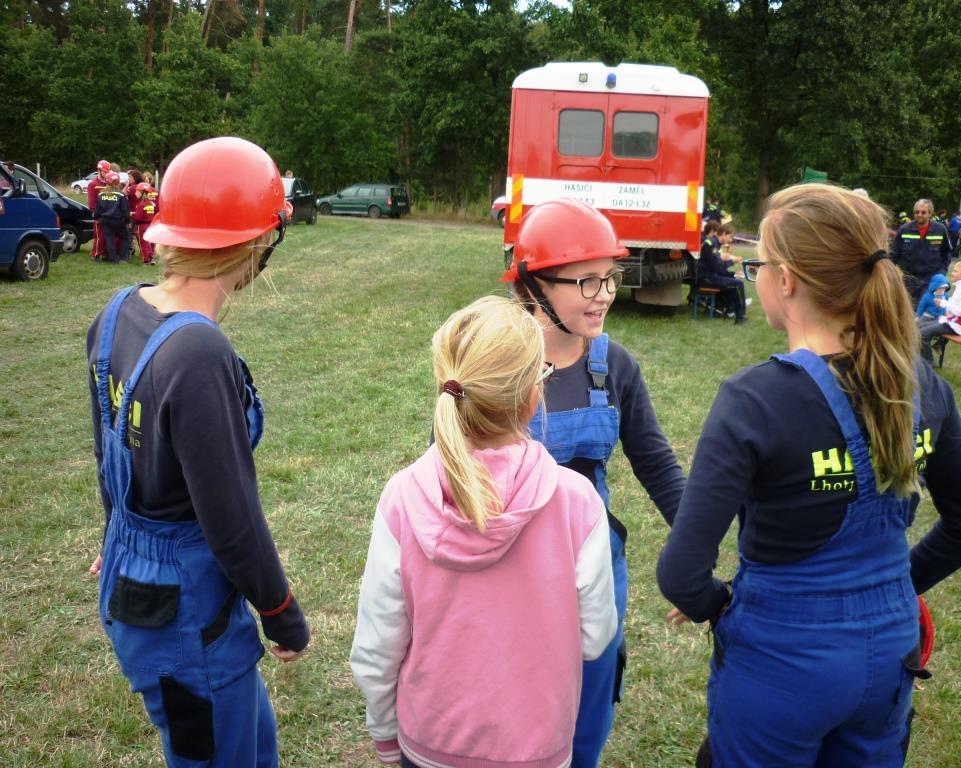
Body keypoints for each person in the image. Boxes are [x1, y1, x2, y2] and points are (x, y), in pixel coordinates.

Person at [657, 183, 961, 768]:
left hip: (780, 659)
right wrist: (890, 590)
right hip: (890, 651)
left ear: (787, 280)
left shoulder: (755, 398)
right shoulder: (921, 383)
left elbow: (681, 573)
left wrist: (720, 605)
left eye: (760, 265)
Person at [86, 136, 309, 768]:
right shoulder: (200, 354)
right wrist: (281, 612)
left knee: (251, 744)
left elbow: (108, 447)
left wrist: (116, 536)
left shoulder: (116, 313)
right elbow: (232, 518)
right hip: (187, 615)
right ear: (258, 243)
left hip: (140, 579)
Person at [350, 295, 617, 768]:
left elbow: (376, 647)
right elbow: (596, 638)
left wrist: (386, 735)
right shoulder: (578, 502)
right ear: (533, 396)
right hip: (537, 750)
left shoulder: (402, 497)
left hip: (429, 746)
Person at [502, 198, 687, 767]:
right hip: (507, 573)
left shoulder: (615, 365)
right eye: (586, 281)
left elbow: (656, 464)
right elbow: (449, 467)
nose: (604, 294)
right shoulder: (495, 364)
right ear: (534, 285)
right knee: (509, 710)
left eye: (610, 277)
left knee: (586, 714)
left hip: (595, 569)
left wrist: (695, 547)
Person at [890, 198, 953, 305]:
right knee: (908, 310)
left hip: (931, 279)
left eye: (923, 212)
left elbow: (947, 253)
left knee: (927, 311)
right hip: (908, 280)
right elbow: (893, 255)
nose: (919, 215)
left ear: (930, 214)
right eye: (917, 212)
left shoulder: (940, 229)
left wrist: (941, 273)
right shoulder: (904, 230)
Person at [919, 260, 961, 367]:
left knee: (922, 334)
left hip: (958, 326)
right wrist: (944, 303)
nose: (952, 273)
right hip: (950, 321)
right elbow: (954, 305)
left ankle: (928, 362)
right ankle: (921, 357)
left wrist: (943, 303)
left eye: (955, 271)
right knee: (920, 326)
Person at [698, 220, 749, 323]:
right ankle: (740, 317)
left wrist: (734, 274)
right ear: (724, 234)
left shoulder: (715, 244)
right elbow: (717, 268)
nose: (731, 240)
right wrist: (732, 262)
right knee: (738, 284)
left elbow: (718, 268)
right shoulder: (711, 244)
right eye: (730, 237)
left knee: (735, 283)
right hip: (706, 278)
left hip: (711, 276)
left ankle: (732, 312)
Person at [95, 170, 131, 263]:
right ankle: (123, 258)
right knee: (125, 237)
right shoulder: (121, 195)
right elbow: (125, 210)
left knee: (109, 239)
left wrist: (97, 218)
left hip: (105, 221)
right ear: (117, 182)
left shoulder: (101, 194)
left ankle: (112, 259)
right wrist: (127, 221)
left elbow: (97, 209)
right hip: (118, 221)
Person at [88, 160, 111, 261]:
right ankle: (95, 254)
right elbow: (92, 203)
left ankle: (105, 253)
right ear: (99, 170)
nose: (106, 174)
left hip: (109, 214)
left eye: (108, 172)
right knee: (99, 235)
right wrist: (97, 215)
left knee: (107, 236)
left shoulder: (109, 183)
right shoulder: (93, 184)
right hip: (99, 214)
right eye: (105, 172)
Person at [131, 182, 157, 265]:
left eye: (137, 191)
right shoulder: (151, 204)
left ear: (142, 192)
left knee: (143, 244)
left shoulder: (140, 205)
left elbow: (138, 218)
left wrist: (132, 215)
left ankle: (146, 260)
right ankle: (151, 258)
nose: (135, 193)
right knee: (149, 243)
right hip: (150, 226)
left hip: (141, 227)